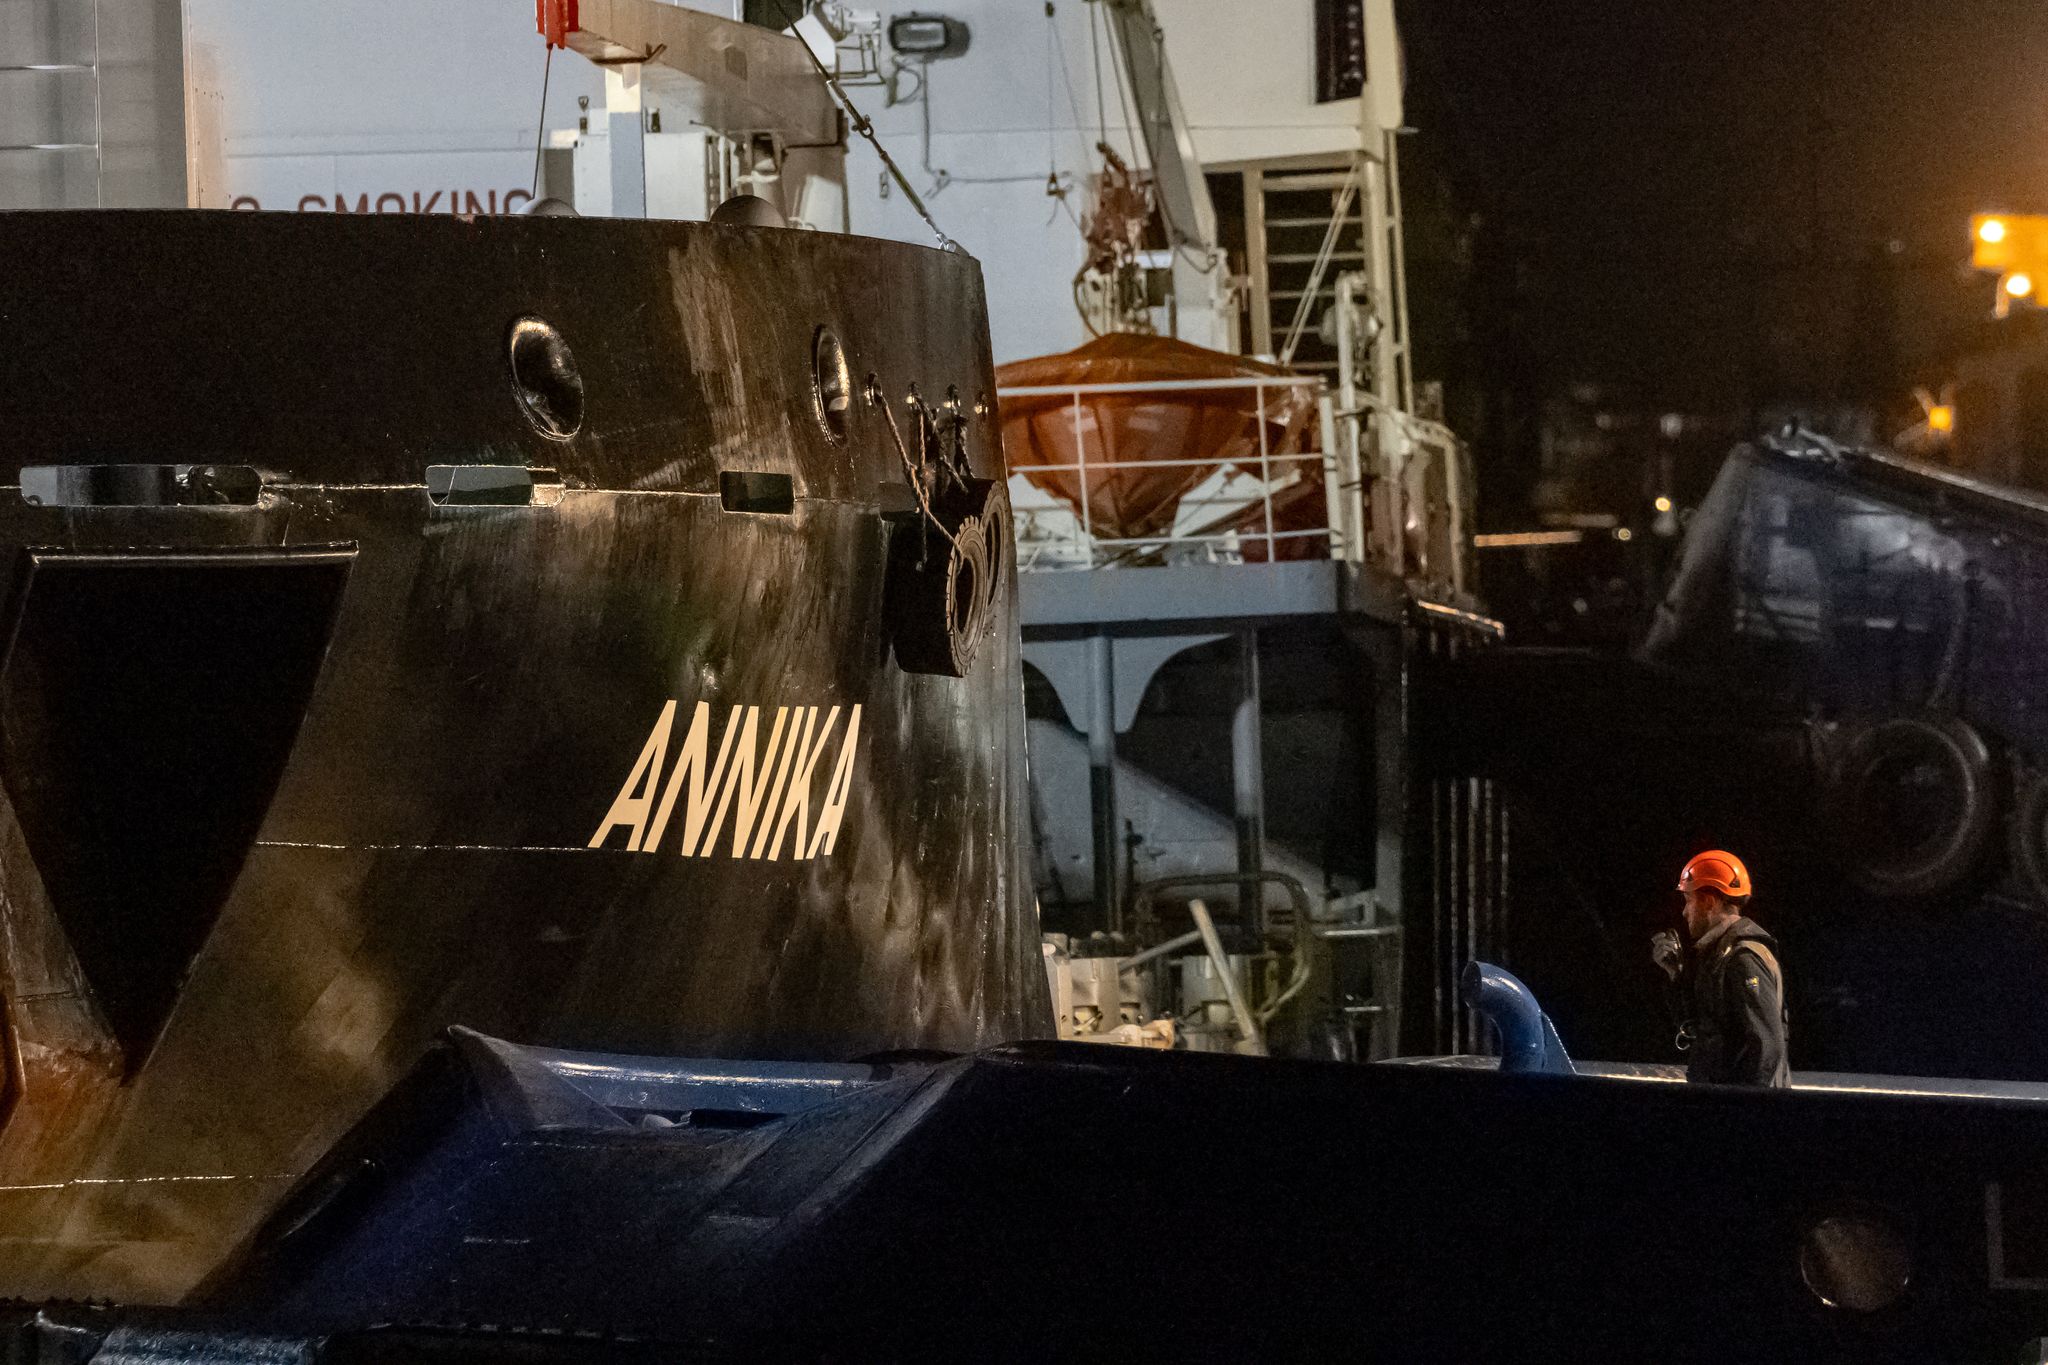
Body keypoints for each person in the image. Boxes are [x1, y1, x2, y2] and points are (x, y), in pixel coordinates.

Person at [1650, 850, 1789, 1088]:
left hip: (1736, 1111)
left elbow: (1767, 1045)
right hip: (1716, 1101)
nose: (1684, 912)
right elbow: (1699, 1028)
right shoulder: (1720, 955)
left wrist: (1746, 1110)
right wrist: (1677, 976)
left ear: (1709, 902)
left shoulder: (1743, 958)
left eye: (1688, 900)